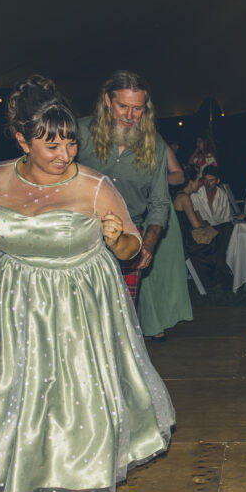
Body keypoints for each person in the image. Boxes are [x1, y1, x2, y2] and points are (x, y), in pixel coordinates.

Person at [0, 76, 174, 492]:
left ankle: (84, 489)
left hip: (80, 299)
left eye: (70, 143)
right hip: (18, 301)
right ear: (22, 140)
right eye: (50, 145)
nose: (64, 155)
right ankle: (23, 482)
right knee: (18, 388)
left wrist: (119, 240)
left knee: (79, 390)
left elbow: (132, 248)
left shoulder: (93, 186)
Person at [77, 70, 192, 342]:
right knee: (84, 318)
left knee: (123, 320)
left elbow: (160, 201)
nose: (129, 116)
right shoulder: (79, 133)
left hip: (128, 239)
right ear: (108, 101)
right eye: (123, 107)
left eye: (137, 109)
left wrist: (148, 244)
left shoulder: (154, 146)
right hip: (81, 235)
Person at [175, 164, 235, 288]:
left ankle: (220, 275)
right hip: (189, 239)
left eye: (211, 180)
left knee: (224, 233)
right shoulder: (187, 197)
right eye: (202, 180)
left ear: (217, 181)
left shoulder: (221, 194)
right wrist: (205, 224)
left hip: (197, 232)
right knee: (219, 240)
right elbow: (196, 223)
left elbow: (225, 218)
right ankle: (220, 276)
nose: (205, 183)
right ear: (191, 182)